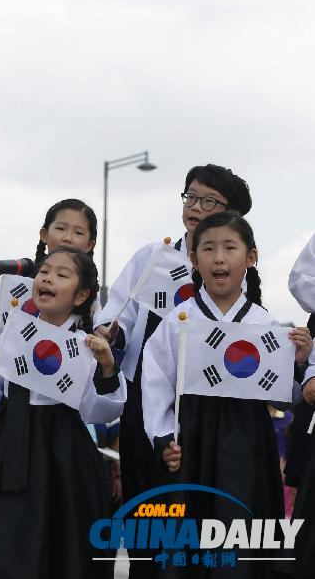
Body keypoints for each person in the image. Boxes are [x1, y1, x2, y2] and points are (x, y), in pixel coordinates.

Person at [95, 164, 251, 578]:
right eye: (191, 197)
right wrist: (111, 331)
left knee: (192, 502)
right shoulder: (154, 256)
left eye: (209, 201)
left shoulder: (234, 267)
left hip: (202, 402)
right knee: (146, 499)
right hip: (143, 392)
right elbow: (120, 308)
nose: (196, 207)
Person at [142, 213, 311, 578]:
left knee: (245, 544)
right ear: (193, 258)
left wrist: (297, 362)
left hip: (250, 447)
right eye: (208, 248)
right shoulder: (178, 321)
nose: (219, 258)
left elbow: (285, 398)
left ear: (250, 257)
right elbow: (155, 383)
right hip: (192, 443)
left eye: (230, 248)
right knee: (189, 546)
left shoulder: (264, 323)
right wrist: (163, 438)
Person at [0, 247, 124, 579]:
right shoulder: (11, 330)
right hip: (7, 442)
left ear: (81, 295)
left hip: (63, 453)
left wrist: (108, 368)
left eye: (62, 275)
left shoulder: (86, 344)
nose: (48, 278)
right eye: (44, 272)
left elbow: (100, 410)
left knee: (61, 543)